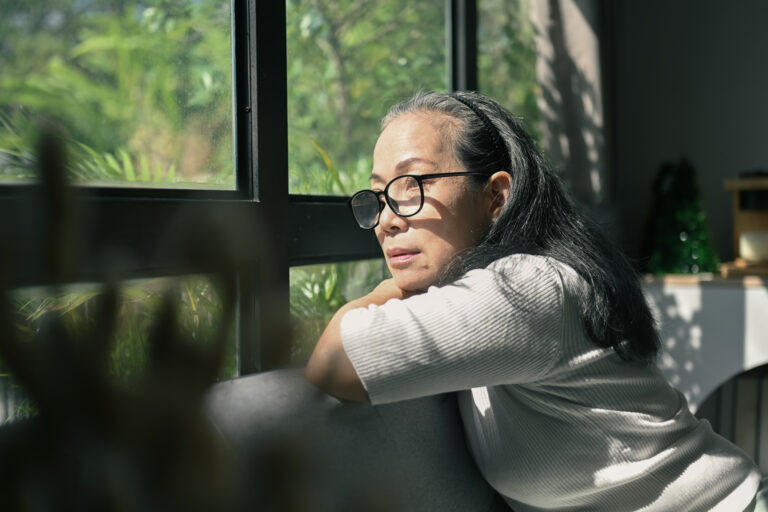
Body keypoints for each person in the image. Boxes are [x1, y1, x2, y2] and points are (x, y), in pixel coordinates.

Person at [305, 90, 766, 511]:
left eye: (413, 185)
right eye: (381, 195)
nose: (387, 219)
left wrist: (392, 289)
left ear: (496, 196)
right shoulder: (488, 289)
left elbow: (332, 363)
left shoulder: (524, 289)